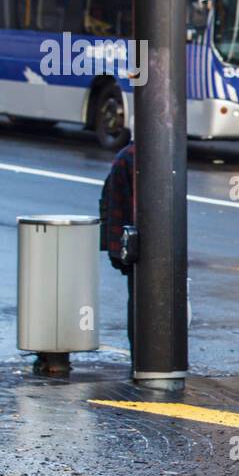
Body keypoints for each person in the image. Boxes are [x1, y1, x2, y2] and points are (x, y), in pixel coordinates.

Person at [99, 142, 137, 351]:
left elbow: (110, 203)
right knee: (142, 306)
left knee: (138, 304)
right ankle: (145, 363)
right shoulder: (133, 157)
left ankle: (141, 362)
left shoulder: (128, 156)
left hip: (135, 245)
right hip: (144, 246)